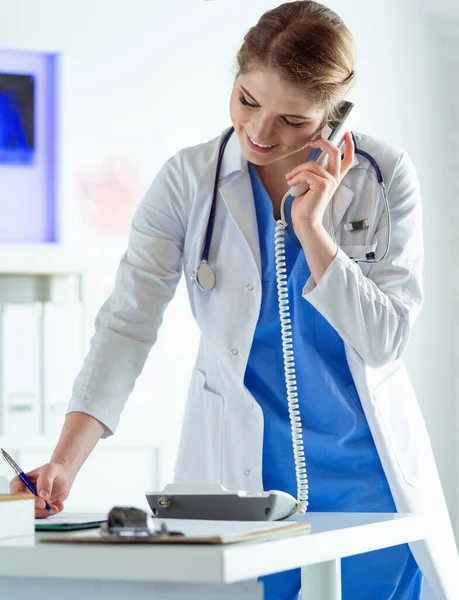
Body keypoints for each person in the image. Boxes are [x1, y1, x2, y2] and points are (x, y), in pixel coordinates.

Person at [11, 1, 459, 598]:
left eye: (294, 121)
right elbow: (127, 323)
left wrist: (314, 232)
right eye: (248, 100)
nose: (261, 134)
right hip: (242, 487)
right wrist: (66, 460)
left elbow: (385, 340)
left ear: (334, 115)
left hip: (368, 487)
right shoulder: (187, 180)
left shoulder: (383, 176)